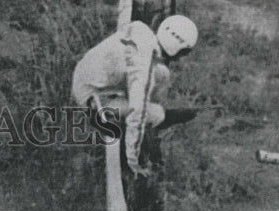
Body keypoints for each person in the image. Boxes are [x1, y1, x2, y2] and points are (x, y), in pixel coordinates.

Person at [72, 15, 198, 176]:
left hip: (85, 76)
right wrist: (133, 162)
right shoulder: (144, 73)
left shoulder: (141, 28)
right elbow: (136, 115)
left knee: (162, 74)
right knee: (156, 113)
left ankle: (143, 109)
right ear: (178, 49)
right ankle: (149, 130)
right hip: (92, 98)